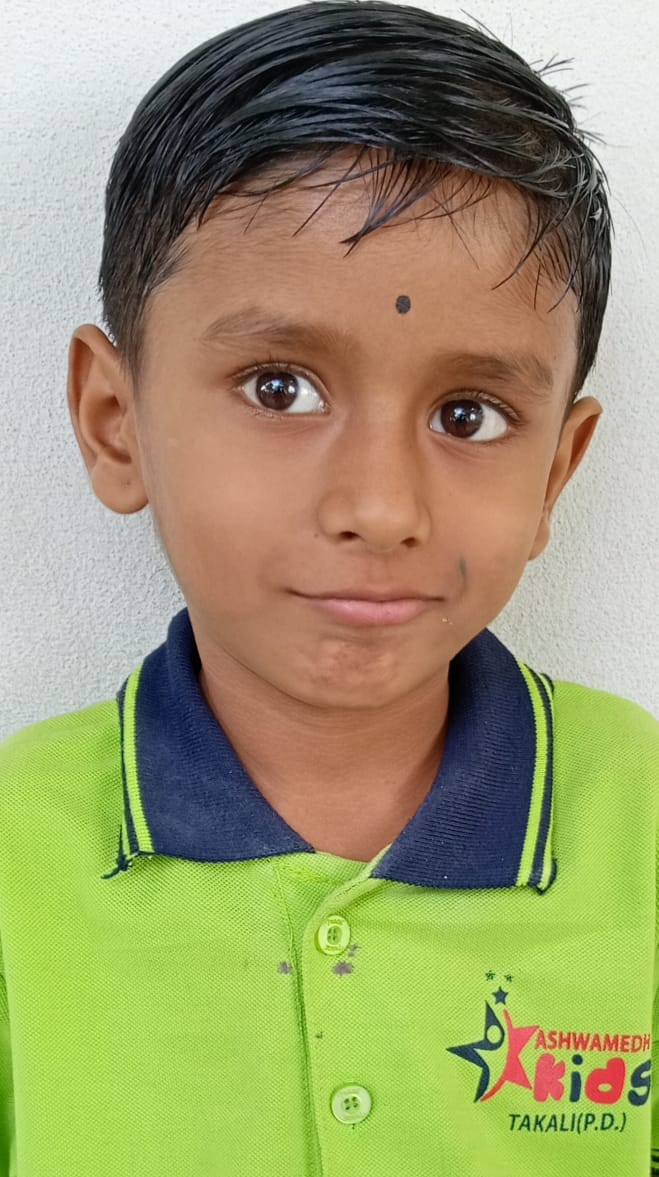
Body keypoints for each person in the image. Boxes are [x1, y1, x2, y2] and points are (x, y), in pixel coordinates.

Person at [1, 1, 657, 1173]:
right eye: (278, 388)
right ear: (114, 420)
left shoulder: (641, 825)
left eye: (468, 414)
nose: (381, 506)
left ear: (554, 471)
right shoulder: (16, 854)